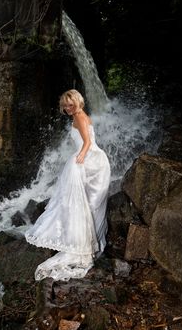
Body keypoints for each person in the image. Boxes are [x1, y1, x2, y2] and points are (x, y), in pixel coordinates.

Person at [25, 89, 111, 281]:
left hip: (86, 159)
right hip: (94, 159)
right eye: (65, 105)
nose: (67, 108)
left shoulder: (79, 117)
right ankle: (83, 240)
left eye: (70, 104)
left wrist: (80, 155)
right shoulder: (82, 115)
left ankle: (79, 243)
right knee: (82, 204)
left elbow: (87, 142)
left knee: (76, 203)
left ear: (78, 102)